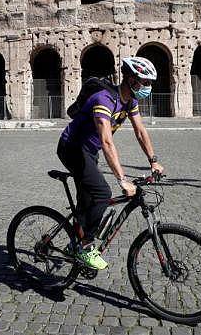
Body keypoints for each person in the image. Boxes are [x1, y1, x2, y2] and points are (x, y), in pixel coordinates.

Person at [57, 56, 164, 270]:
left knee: (87, 200)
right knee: (102, 193)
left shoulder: (130, 101)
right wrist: (122, 179)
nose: (148, 87)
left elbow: (140, 131)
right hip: (72, 148)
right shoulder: (104, 99)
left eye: (150, 83)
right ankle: (85, 247)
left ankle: (74, 243)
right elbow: (106, 141)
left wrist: (153, 161)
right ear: (132, 80)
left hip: (89, 151)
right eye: (145, 82)